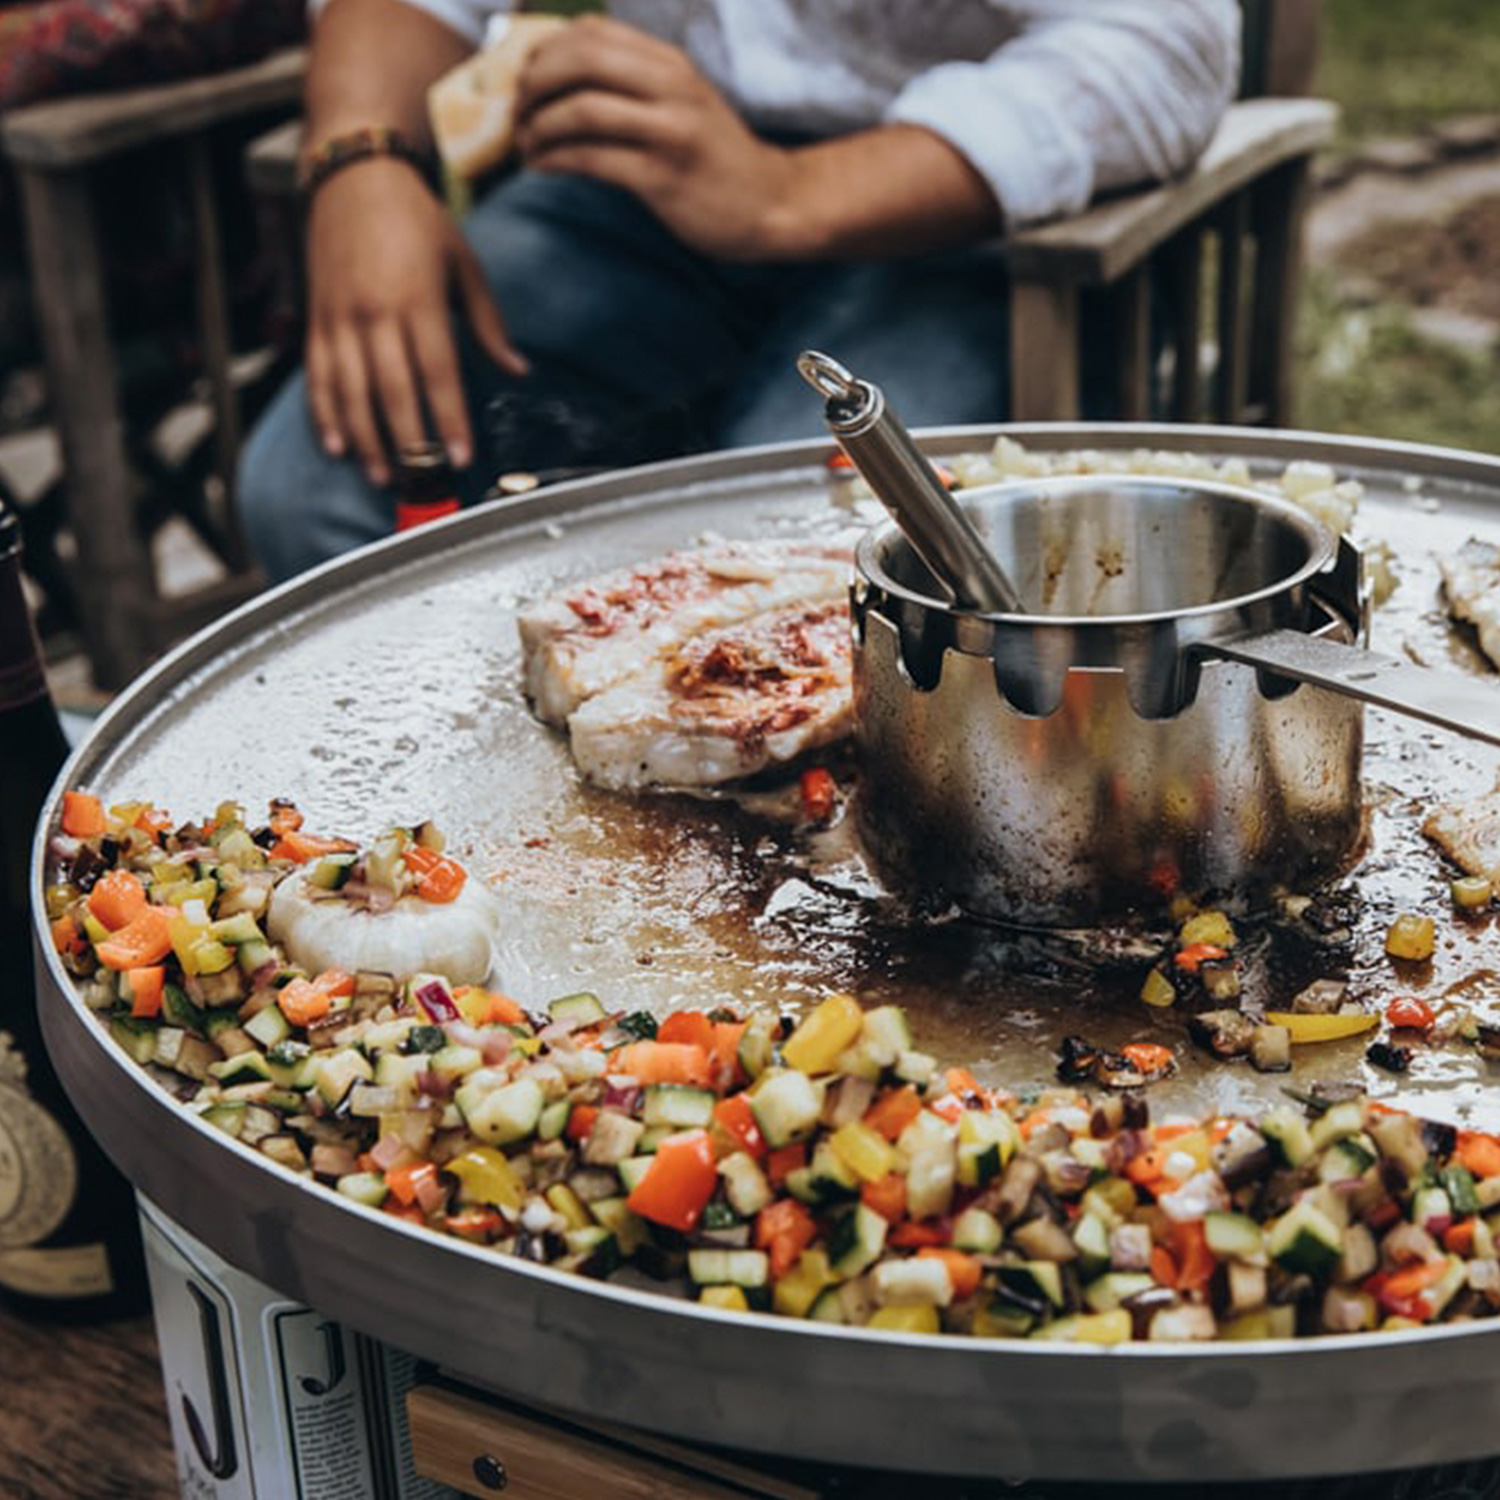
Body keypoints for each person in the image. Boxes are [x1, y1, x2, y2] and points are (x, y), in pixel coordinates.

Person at [239, 0, 1240, 581]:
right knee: (319, 490)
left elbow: (1165, 39)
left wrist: (789, 194)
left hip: (967, 219)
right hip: (641, 187)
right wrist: (362, 157)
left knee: (805, 557)